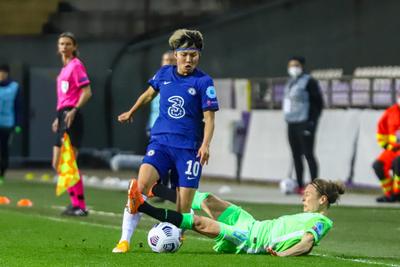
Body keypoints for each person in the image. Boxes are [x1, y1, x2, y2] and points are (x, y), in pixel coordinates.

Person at [112, 29, 219, 253]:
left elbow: (209, 118)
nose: (189, 59)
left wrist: (205, 144)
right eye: (184, 54)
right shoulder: (163, 74)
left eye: (193, 55)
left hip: (189, 149)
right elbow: (148, 94)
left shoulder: (203, 81)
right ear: (175, 55)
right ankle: (124, 240)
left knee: (183, 209)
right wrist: (132, 110)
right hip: (160, 143)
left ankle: (173, 236)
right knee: (139, 187)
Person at [129, 178, 344, 256]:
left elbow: (306, 242)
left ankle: (142, 206)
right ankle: (154, 189)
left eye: (307, 195)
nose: (303, 199)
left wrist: (283, 255)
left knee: (197, 222)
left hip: (250, 238)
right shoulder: (310, 215)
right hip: (252, 224)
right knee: (208, 200)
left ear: (323, 200)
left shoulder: (321, 222)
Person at [51, 32, 92, 216]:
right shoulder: (64, 67)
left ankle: (80, 206)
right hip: (63, 115)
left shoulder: (76, 66)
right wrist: (57, 117)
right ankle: (75, 204)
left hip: (71, 116)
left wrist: (74, 110)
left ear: (74, 47)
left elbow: (87, 92)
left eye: (68, 43)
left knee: (69, 163)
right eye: (61, 43)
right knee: (58, 163)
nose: (64, 46)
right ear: (58, 47)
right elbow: (64, 96)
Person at [283, 56, 323, 194]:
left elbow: (318, 103)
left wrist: (312, 122)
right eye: (290, 65)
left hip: (305, 122)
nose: (293, 68)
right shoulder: (290, 82)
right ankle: (300, 185)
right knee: (295, 155)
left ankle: (315, 186)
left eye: (296, 65)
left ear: (302, 66)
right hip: (291, 123)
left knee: (308, 154)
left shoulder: (309, 82)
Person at [147, 51, 177, 203]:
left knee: (171, 162)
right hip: (155, 126)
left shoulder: (177, 81)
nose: (168, 62)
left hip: (171, 129)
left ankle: (173, 192)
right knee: (157, 161)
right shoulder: (158, 79)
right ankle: (161, 191)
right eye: (166, 59)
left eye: (171, 60)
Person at [373, 99, 400, 202]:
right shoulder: (390, 112)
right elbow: (381, 131)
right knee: (378, 165)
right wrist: (387, 146)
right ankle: (390, 194)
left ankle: (397, 194)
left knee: (398, 162)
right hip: (393, 149)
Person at [0, 64, 22, 184]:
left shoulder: (14, 87)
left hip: (7, 123)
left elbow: (18, 106)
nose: (1, 75)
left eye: (3, 73)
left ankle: (2, 174)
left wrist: (18, 124)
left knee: (4, 150)